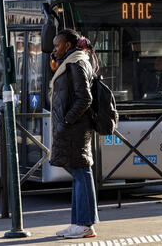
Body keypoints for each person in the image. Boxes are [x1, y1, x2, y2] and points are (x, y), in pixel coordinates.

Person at [50, 29, 99, 239]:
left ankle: (86, 224)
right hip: (72, 128)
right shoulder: (71, 62)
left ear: (68, 46)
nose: (54, 49)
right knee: (78, 174)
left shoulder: (76, 63)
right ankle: (77, 223)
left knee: (82, 174)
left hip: (75, 129)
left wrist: (68, 120)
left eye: (57, 45)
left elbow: (85, 98)